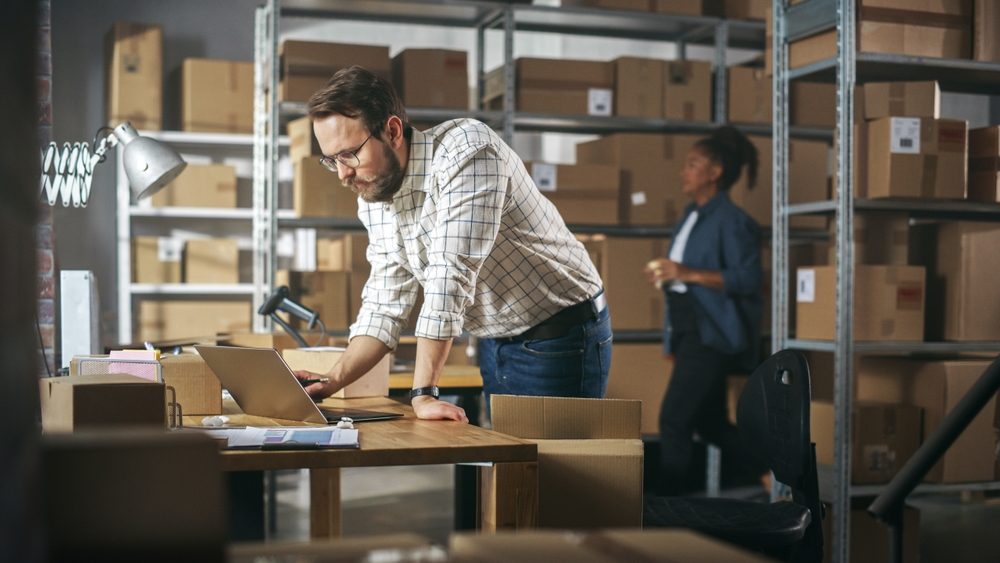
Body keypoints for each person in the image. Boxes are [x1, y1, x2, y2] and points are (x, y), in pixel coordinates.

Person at [293, 66, 612, 422]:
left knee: (553, 473)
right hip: (496, 337)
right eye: (331, 159)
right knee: (514, 469)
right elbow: (384, 306)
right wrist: (330, 381)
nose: (342, 174)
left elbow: (449, 275)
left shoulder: (468, 152)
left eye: (349, 154)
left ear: (393, 131)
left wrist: (424, 394)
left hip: (559, 333)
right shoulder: (376, 200)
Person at [643, 126, 768, 495]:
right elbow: (687, 275)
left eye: (693, 164)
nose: (684, 172)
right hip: (688, 328)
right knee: (711, 424)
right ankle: (773, 478)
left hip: (711, 333)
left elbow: (748, 278)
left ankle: (668, 510)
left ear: (715, 173)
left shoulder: (732, 220)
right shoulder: (692, 215)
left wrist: (685, 273)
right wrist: (670, 276)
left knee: (673, 420)